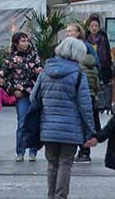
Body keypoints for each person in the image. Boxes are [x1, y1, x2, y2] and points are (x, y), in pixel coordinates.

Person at [31, 37, 96, 199]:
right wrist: (90, 131)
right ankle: (61, 196)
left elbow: (34, 98)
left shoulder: (45, 71)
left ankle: (51, 196)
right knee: (65, 163)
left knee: (52, 164)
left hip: (48, 127)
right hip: (70, 129)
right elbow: (85, 106)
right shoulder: (78, 75)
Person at [0, 31, 43, 162]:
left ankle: (33, 151)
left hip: (34, 93)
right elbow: (1, 77)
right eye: (23, 41)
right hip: (21, 95)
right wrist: (12, 89)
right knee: (22, 122)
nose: (26, 43)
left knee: (35, 122)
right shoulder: (11, 58)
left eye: (27, 40)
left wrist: (39, 71)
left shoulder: (34, 56)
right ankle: (20, 151)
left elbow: (41, 72)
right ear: (16, 43)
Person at [65, 22, 101, 164]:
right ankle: (82, 150)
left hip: (82, 88)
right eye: (67, 31)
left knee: (83, 120)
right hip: (83, 89)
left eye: (70, 31)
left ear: (78, 33)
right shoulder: (72, 47)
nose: (68, 34)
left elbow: (95, 63)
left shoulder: (83, 48)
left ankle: (84, 150)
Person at [85, 16, 113, 84]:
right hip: (90, 70)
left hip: (103, 70)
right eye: (92, 26)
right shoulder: (86, 41)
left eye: (96, 26)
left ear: (99, 27)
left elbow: (108, 56)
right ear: (88, 28)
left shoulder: (104, 40)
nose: (94, 28)